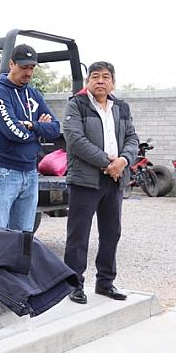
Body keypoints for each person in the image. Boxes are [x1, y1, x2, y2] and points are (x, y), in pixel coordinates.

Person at [62, 61, 138, 303]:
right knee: (78, 234)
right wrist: (108, 163)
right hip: (86, 180)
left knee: (111, 232)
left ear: (113, 82)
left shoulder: (122, 108)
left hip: (115, 181)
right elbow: (75, 139)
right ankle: (73, 285)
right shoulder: (77, 105)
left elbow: (132, 139)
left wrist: (124, 161)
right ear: (88, 82)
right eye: (95, 77)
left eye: (106, 77)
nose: (101, 81)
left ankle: (106, 283)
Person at [0, 44, 60, 231]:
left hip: (30, 173)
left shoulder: (33, 94)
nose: (28, 72)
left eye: (32, 68)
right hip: (3, 173)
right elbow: (14, 132)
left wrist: (33, 125)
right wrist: (40, 132)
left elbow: (56, 129)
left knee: (24, 237)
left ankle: (19, 263)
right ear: (11, 64)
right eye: (24, 67)